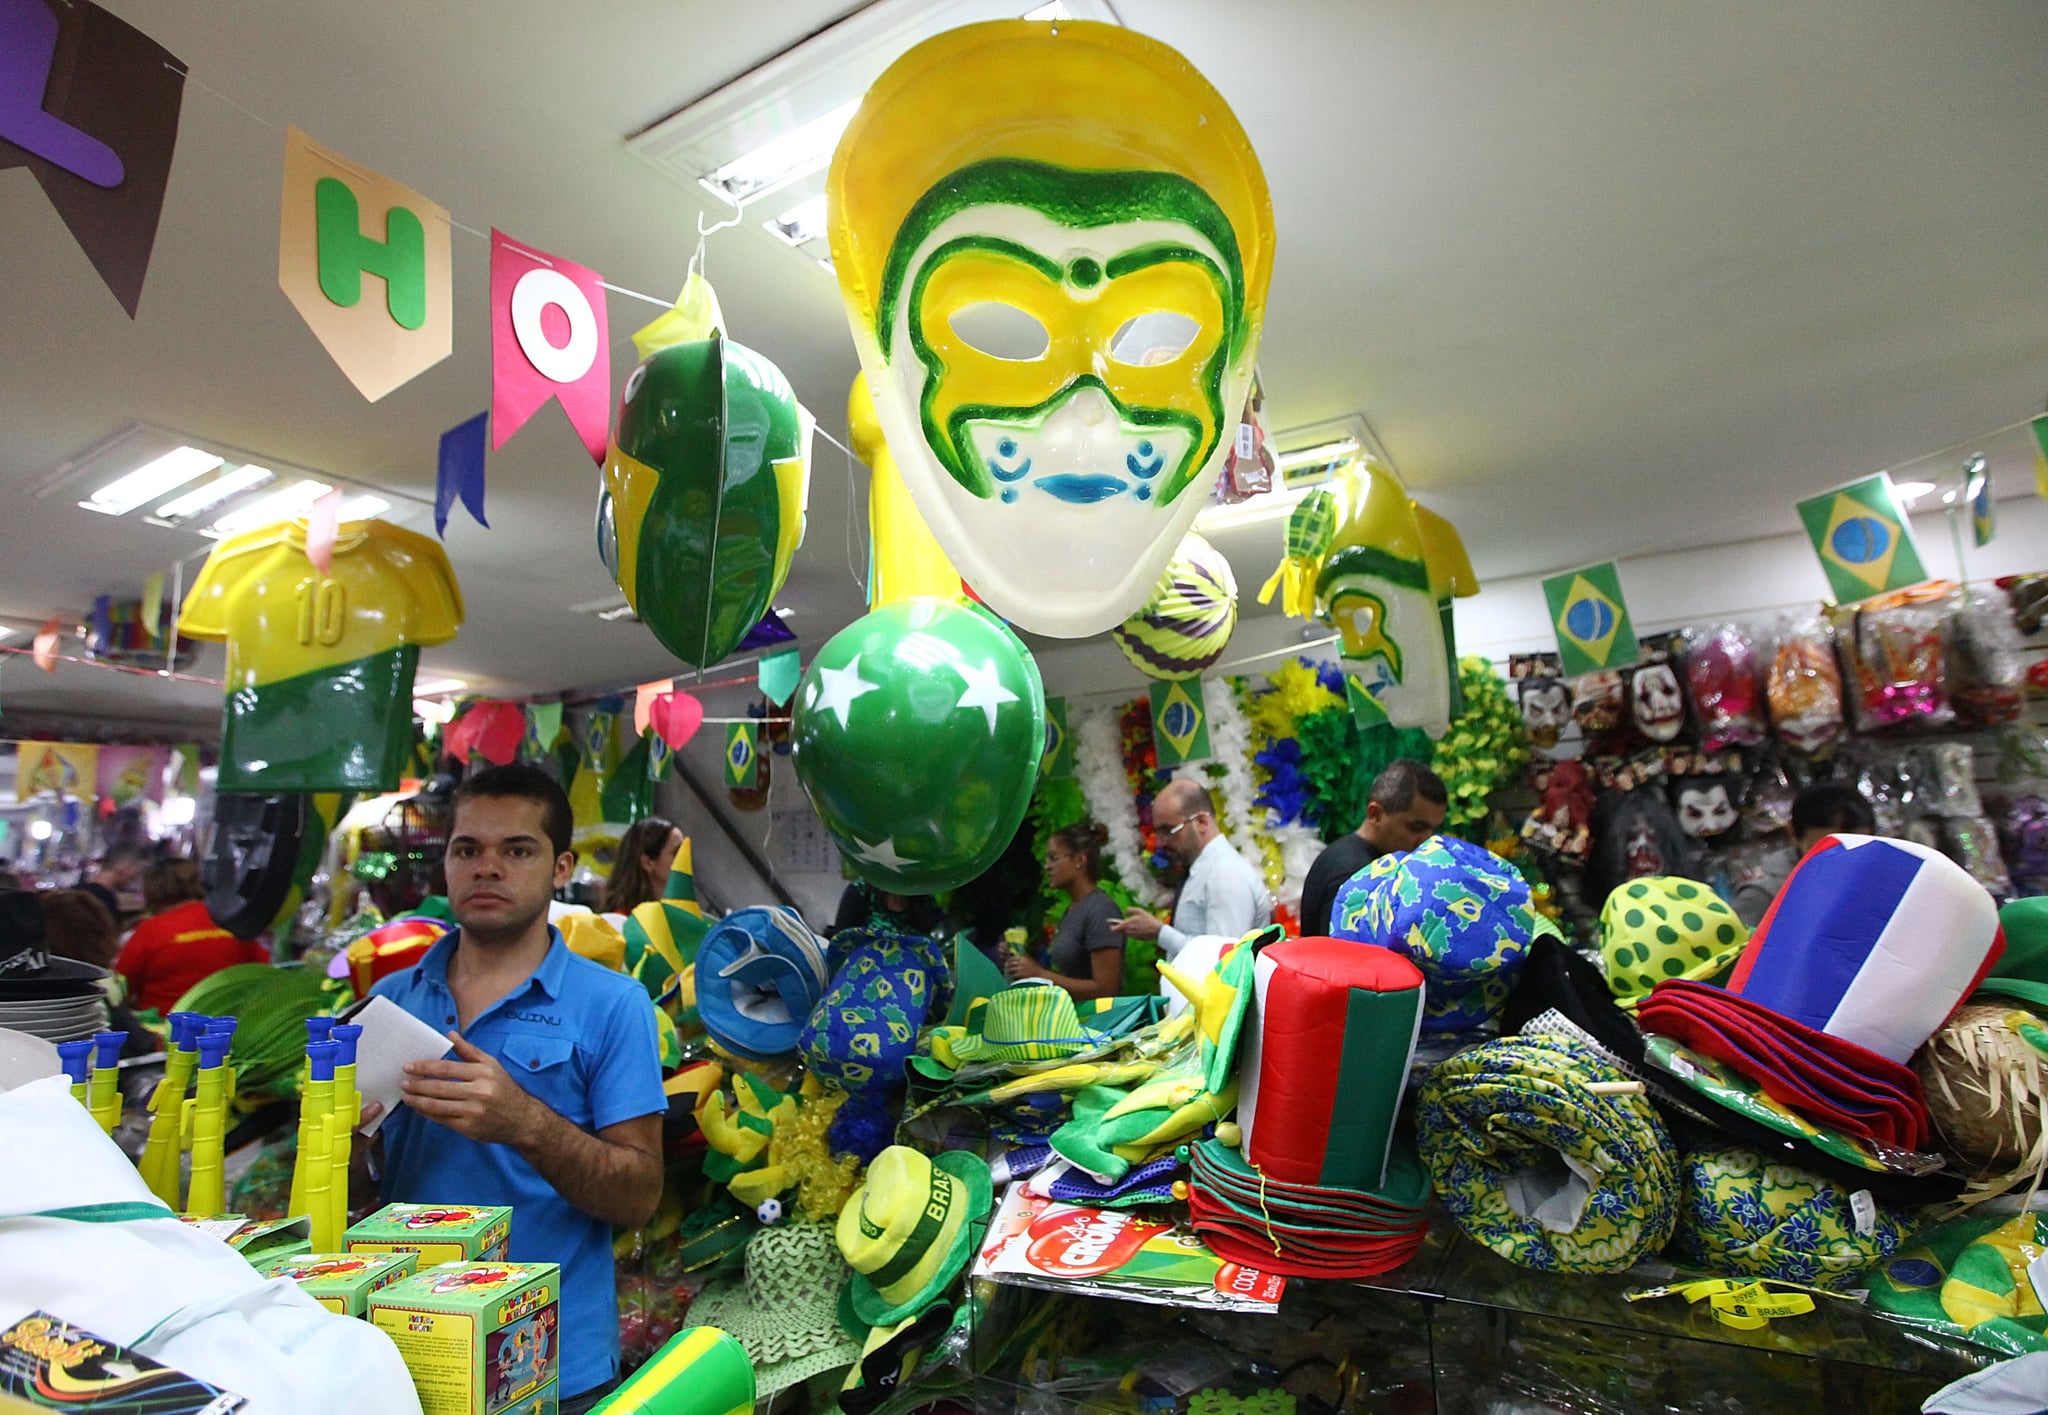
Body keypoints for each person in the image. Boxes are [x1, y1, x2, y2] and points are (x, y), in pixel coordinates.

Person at [363, 764, 665, 1415]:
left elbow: (640, 1193)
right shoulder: (391, 1001)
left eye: (517, 849)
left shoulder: (613, 1004)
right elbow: (365, 1194)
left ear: (561, 868)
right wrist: (344, 1141)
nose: (487, 867)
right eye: (467, 848)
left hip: (546, 1364)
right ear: (445, 863)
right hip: (401, 1353)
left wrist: (524, 1121)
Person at [1111, 781, 1272, 961]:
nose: (1161, 843)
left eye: (1168, 830)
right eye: (1158, 833)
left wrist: (1161, 933)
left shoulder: (1225, 874)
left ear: (1202, 822)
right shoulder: (1205, 870)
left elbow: (1224, 961)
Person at [1297, 761, 1449, 937]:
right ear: (1375, 814)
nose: (1427, 841)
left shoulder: (1350, 858)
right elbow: (1342, 957)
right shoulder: (1356, 873)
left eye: (1434, 830)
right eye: (1416, 827)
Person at [116, 859, 269, 1014]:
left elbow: (120, 988)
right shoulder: (231, 920)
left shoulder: (150, 930)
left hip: (165, 1029)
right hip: (228, 1027)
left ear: (151, 890)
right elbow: (265, 972)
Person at [1730, 780, 1879, 927]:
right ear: (1793, 834)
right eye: (1828, 851)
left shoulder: (1882, 887)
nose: (1844, 862)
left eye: (1859, 850)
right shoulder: (1764, 896)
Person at [1005, 823, 1123, 999]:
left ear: (1079, 860)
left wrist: (1039, 975)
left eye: (1053, 857)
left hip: (1098, 1022)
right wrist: (1022, 963)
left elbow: (1106, 989)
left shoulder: (1101, 910)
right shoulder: (1073, 909)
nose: (1047, 866)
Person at [598, 817, 684, 918]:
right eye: (677, 853)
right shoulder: (620, 923)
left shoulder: (681, 916)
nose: (686, 859)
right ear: (647, 863)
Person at [831, 879, 947, 938]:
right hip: (863, 975)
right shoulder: (861, 891)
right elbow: (840, 945)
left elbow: (936, 946)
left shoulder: (925, 898)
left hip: (912, 977)